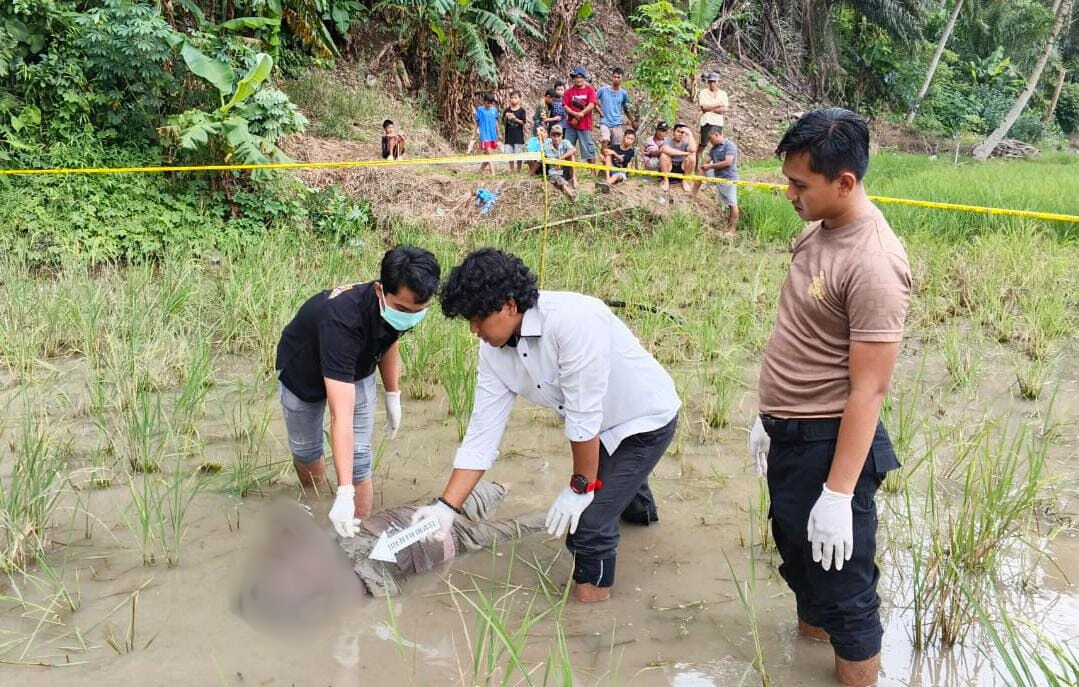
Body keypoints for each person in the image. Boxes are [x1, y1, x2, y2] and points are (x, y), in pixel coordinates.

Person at [410, 249, 681, 604]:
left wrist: (580, 488)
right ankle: (643, 526)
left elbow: (585, 418)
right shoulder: (493, 350)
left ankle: (592, 618)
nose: (473, 330)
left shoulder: (573, 321)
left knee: (588, 526)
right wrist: (447, 508)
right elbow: (482, 431)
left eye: (478, 319)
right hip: (597, 429)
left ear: (508, 305)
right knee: (620, 496)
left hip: (642, 420)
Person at [748, 108, 911, 687]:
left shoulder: (875, 264)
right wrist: (766, 415)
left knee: (845, 591)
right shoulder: (815, 230)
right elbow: (800, 333)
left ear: (844, 183)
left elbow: (870, 388)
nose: (787, 193)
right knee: (801, 560)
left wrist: (839, 493)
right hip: (788, 432)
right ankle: (810, 651)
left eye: (799, 185)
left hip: (827, 441)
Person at [275, 247, 441, 538]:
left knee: (360, 459)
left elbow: (391, 338)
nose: (410, 316)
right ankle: (317, 502)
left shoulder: (401, 306)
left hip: (358, 367)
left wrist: (393, 395)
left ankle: (362, 534)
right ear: (380, 291)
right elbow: (342, 416)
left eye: (419, 311)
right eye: (403, 310)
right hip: (303, 371)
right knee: (306, 449)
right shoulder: (341, 319)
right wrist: (343, 493)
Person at [695, 127, 739, 236]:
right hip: (716, 174)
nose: (710, 142)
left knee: (732, 203)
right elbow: (706, 161)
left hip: (728, 177)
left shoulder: (729, 145)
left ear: (716, 134)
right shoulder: (714, 148)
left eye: (711, 139)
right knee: (702, 170)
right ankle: (693, 193)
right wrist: (703, 165)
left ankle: (732, 229)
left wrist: (710, 166)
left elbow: (728, 162)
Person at [562, 66, 597, 165]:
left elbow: (592, 104)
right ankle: (567, 172)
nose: (578, 79)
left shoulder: (590, 90)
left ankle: (592, 173)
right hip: (571, 125)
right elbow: (565, 106)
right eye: (576, 77)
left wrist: (581, 113)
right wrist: (574, 114)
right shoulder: (568, 92)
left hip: (585, 125)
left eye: (580, 77)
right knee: (567, 149)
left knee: (589, 150)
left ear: (584, 78)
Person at [596, 67, 633, 158]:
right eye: (614, 77)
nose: (616, 79)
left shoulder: (623, 93)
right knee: (605, 140)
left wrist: (632, 120)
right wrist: (599, 111)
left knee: (616, 147)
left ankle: (611, 164)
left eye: (618, 77)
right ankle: (604, 160)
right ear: (611, 77)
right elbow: (593, 100)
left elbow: (625, 108)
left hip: (617, 123)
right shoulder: (603, 90)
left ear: (622, 79)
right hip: (605, 122)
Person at [697, 71, 729, 169]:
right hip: (706, 121)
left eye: (714, 82)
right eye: (710, 82)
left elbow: (724, 109)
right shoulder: (703, 93)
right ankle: (696, 164)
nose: (712, 84)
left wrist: (710, 108)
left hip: (718, 122)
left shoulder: (723, 94)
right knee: (703, 144)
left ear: (718, 82)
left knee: (718, 144)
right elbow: (703, 108)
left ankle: (713, 166)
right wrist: (717, 104)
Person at [658, 123, 697, 193]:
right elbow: (665, 149)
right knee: (664, 155)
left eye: (682, 132)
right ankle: (666, 181)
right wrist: (685, 153)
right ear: (673, 132)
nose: (680, 134)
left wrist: (690, 134)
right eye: (678, 131)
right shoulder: (667, 140)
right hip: (669, 167)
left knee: (692, 157)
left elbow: (693, 150)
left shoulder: (686, 142)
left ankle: (685, 181)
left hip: (681, 168)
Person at [541, 124, 576, 199]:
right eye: (554, 136)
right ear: (550, 136)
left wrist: (560, 159)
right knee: (558, 179)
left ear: (562, 136)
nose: (556, 138)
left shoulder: (565, 142)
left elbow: (573, 149)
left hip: (564, 169)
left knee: (571, 156)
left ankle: (574, 178)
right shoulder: (546, 144)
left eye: (558, 136)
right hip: (554, 172)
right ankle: (570, 194)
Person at [503, 90, 527, 173]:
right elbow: (504, 123)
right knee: (510, 155)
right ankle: (512, 170)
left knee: (518, 155)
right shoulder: (506, 110)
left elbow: (523, 123)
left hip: (518, 137)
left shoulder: (522, 111)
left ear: (520, 99)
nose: (513, 99)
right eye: (512, 98)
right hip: (509, 136)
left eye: (516, 98)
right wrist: (506, 117)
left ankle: (518, 170)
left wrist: (514, 119)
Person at [475, 92, 500, 174]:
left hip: (492, 135)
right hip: (484, 135)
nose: (489, 104)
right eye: (488, 102)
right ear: (484, 101)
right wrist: (474, 133)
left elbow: (496, 122)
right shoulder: (480, 110)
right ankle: (493, 172)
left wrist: (498, 133)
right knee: (489, 153)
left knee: (488, 154)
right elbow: (477, 123)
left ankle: (480, 170)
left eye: (491, 103)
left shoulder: (494, 110)